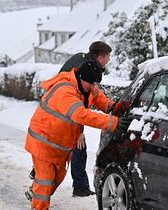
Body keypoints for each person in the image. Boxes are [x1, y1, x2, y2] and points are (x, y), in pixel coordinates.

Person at [25, 61, 132, 210]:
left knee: (57, 178)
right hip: (43, 140)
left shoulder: (87, 87)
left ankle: (34, 191)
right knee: (45, 182)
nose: (93, 87)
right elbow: (80, 115)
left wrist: (119, 108)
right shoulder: (65, 90)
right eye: (91, 83)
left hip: (59, 145)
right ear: (82, 78)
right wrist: (113, 122)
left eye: (95, 84)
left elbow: (104, 102)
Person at [29, 41, 114, 197]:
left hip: (62, 124)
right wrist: (79, 131)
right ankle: (79, 187)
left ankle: (39, 180)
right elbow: (75, 107)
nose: (109, 60)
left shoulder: (86, 67)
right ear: (100, 57)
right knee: (75, 151)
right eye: (108, 56)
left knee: (53, 166)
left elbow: (95, 97)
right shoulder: (82, 72)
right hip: (56, 124)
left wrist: (114, 106)